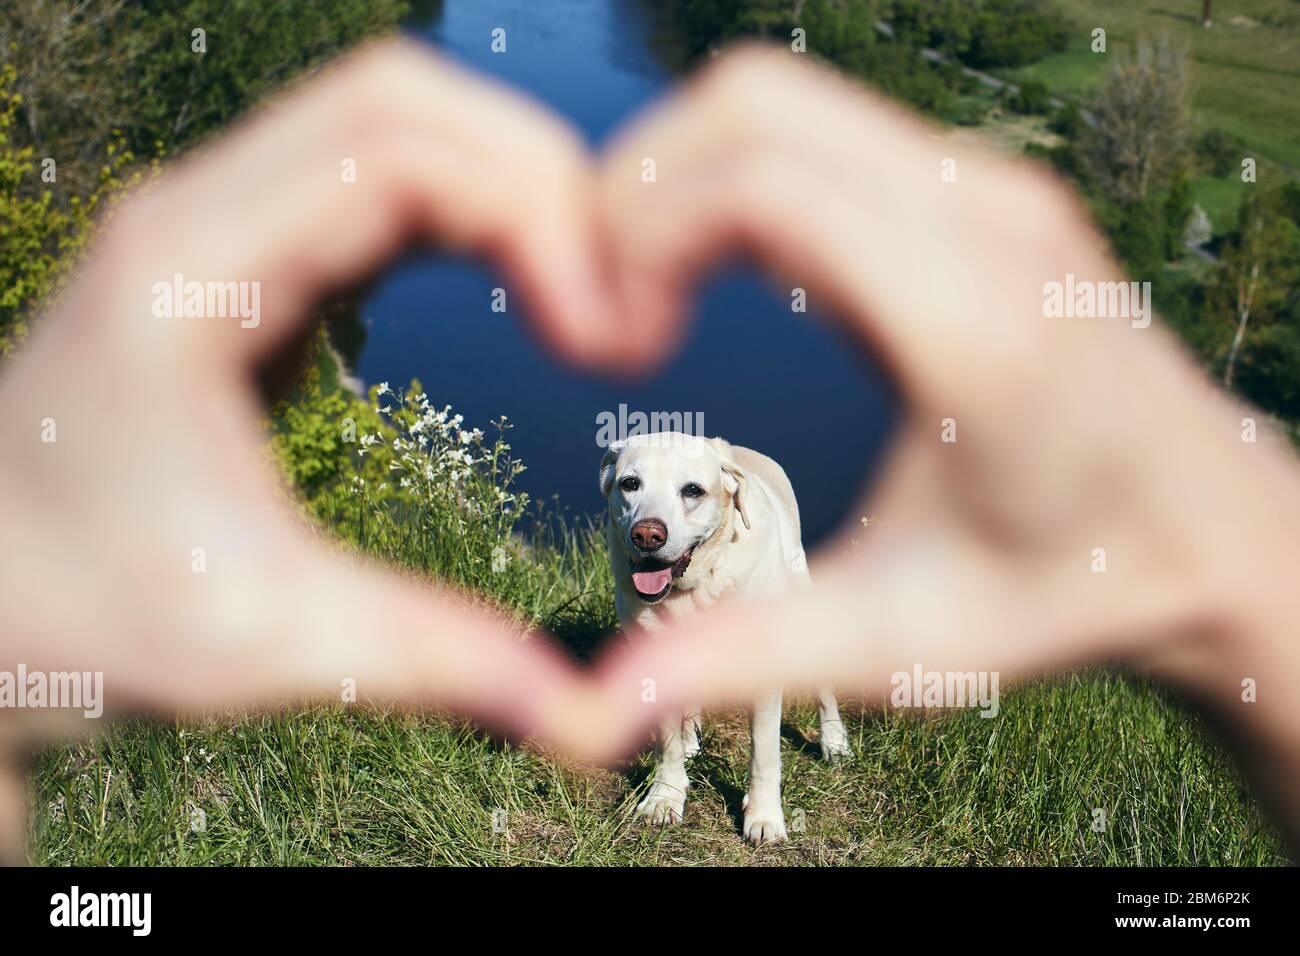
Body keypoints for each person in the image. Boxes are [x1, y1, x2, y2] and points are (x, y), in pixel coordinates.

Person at [1, 41, 1297, 863]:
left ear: (721, 493)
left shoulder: (745, 510)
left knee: (790, 662)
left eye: (678, 496)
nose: (652, 520)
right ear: (614, 491)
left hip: (773, 555)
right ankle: (677, 779)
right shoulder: (639, 550)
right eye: (632, 493)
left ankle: (785, 784)